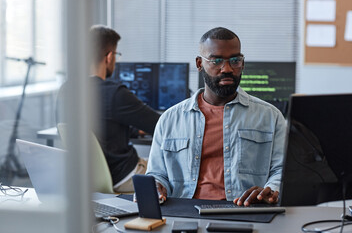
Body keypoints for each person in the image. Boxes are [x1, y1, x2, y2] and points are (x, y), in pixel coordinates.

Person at [146, 27, 286, 206]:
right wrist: (156, 186)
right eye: (216, 61)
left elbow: (281, 171)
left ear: (242, 63)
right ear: (199, 64)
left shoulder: (270, 117)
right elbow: (157, 174)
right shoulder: (170, 119)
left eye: (235, 60)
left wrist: (272, 190)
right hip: (184, 211)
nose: (227, 69)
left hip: (246, 210)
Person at [57, 25, 160, 193]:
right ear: (110, 57)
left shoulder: (66, 89)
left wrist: (134, 130)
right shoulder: (114, 92)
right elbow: (161, 126)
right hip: (124, 176)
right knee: (171, 172)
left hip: (86, 178)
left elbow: (99, 127)